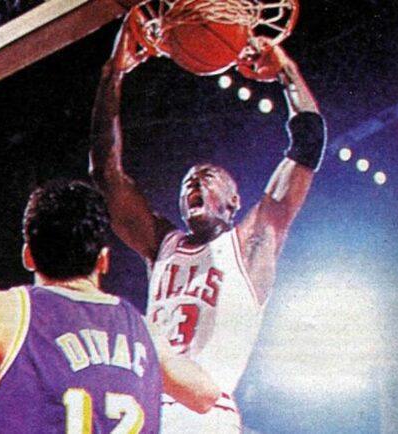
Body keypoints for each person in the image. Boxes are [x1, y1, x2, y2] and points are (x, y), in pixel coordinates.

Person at [89, 23, 326, 433]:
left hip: (205, 414)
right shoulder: (162, 243)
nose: (193, 182)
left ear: (234, 202)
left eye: (207, 177)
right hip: (146, 408)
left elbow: (308, 142)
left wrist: (284, 67)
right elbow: (106, 172)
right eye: (187, 182)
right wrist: (114, 73)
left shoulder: (252, 241)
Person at [0, 179, 219, 433]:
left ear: (28, 256)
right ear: (104, 260)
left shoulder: (0, 313)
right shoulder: (144, 330)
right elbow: (206, 396)